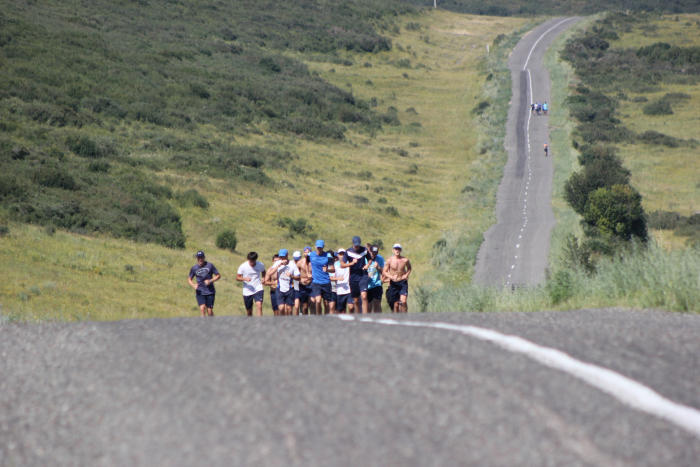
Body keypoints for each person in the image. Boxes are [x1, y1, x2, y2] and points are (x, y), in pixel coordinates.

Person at [341, 235, 370, 314]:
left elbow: (370, 259)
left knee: (364, 296)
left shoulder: (365, 250)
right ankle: (358, 316)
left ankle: (365, 316)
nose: (356, 246)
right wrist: (351, 263)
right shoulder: (348, 252)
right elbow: (342, 265)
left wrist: (367, 265)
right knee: (356, 300)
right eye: (355, 245)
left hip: (363, 276)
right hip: (353, 277)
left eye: (358, 245)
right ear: (352, 243)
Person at [187, 251, 220, 317]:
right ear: (196, 258)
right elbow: (189, 279)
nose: (200, 259)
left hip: (210, 291)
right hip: (200, 291)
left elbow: (218, 275)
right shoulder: (194, 268)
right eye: (199, 258)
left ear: (204, 257)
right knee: (202, 309)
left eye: (201, 257)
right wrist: (194, 285)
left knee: (209, 312)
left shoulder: (210, 265)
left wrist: (210, 281)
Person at [268, 249, 301, 316]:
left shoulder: (292, 265)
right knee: (281, 308)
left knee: (289, 309)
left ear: (287, 255)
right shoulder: (277, 263)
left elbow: (298, 277)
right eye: (281, 257)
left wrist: (291, 276)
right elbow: (270, 273)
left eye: (284, 257)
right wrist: (279, 265)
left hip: (290, 289)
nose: (282, 258)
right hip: (280, 289)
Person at [382, 244, 412, 313]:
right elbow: (384, 271)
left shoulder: (405, 260)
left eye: (398, 249)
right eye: (395, 249)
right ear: (393, 250)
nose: (397, 251)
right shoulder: (389, 260)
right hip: (393, 283)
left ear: (400, 250)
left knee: (403, 301)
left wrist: (406, 274)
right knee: (396, 304)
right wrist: (391, 277)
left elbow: (409, 268)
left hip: (402, 282)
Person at [236, 252, 266, 317]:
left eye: (253, 261)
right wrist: (244, 279)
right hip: (247, 290)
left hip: (258, 288)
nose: (252, 263)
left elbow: (263, 271)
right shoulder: (243, 266)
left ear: (256, 260)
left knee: (259, 305)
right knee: (249, 311)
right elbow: (237, 278)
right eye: (250, 261)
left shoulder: (260, 264)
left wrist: (263, 278)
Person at [309, 240, 334, 315]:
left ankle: (325, 318)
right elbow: (306, 263)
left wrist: (327, 269)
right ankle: (319, 316)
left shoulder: (328, 256)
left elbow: (333, 269)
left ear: (323, 247)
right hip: (316, 282)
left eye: (321, 248)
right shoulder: (311, 255)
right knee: (318, 300)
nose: (319, 250)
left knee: (326, 303)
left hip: (326, 282)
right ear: (315, 246)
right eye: (318, 248)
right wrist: (308, 272)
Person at [330, 248, 353, 313]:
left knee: (351, 306)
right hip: (340, 290)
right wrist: (338, 279)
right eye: (340, 254)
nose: (342, 256)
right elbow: (331, 277)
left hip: (349, 289)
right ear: (338, 255)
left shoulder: (348, 263)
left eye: (343, 254)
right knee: (341, 310)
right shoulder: (335, 265)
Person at [366, 244, 385, 313]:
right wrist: (366, 275)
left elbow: (384, 272)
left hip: (377, 284)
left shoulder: (380, 258)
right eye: (372, 253)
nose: (373, 255)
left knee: (377, 303)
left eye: (375, 254)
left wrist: (378, 267)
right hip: (367, 285)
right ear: (369, 251)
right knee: (368, 306)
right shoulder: (365, 259)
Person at [296, 246, 313, 315]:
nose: (307, 253)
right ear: (303, 253)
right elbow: (296, 274)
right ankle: (305, 319)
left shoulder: (313, 262)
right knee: (305, 306)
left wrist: (312, 277)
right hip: (303, 285)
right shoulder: (300, 262)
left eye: (309, 252)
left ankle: (314, 319)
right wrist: (301, 280)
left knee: (312, 303)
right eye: (306, 252)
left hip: (312, 284)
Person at [291, 251, 302, 315]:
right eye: (295, 259)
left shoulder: (302, 263)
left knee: (300, 306)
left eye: (298, 259)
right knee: (294, 306)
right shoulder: (291, 264)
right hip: (293, 287)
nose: (296, 261)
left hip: (301, 286)